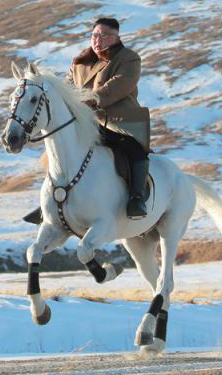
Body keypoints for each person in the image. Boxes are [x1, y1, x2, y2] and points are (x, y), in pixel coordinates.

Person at [23, 17, 150, 224]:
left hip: (119, 121)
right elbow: (67, 88)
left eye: (103, 35)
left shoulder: (128, 59)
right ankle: (52, 201)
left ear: (116, 37)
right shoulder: (80, 61)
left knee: (134, 150)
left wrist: (90, 100)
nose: (97, 40)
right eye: (94, 35)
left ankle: (136, 198)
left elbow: (118, 85)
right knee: (55, 153)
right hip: (85, 122)